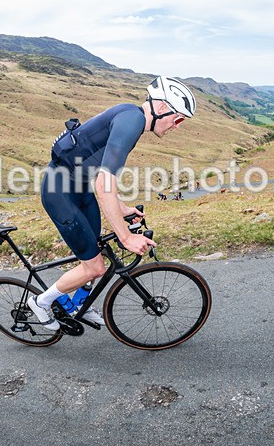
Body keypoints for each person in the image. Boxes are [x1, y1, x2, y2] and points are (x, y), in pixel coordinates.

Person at [27, 76, 196, 330]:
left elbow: (98, 170)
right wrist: (127, 238)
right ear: (162, 108)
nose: (177, 126)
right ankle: (41, 302)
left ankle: (79, 306)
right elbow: (104, 184)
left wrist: (123, 208)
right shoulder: (132, 121)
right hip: (59, 193)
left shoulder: (133, 118)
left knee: (96, 249)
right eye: (179, 118)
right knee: (94, 267)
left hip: (80, 190)